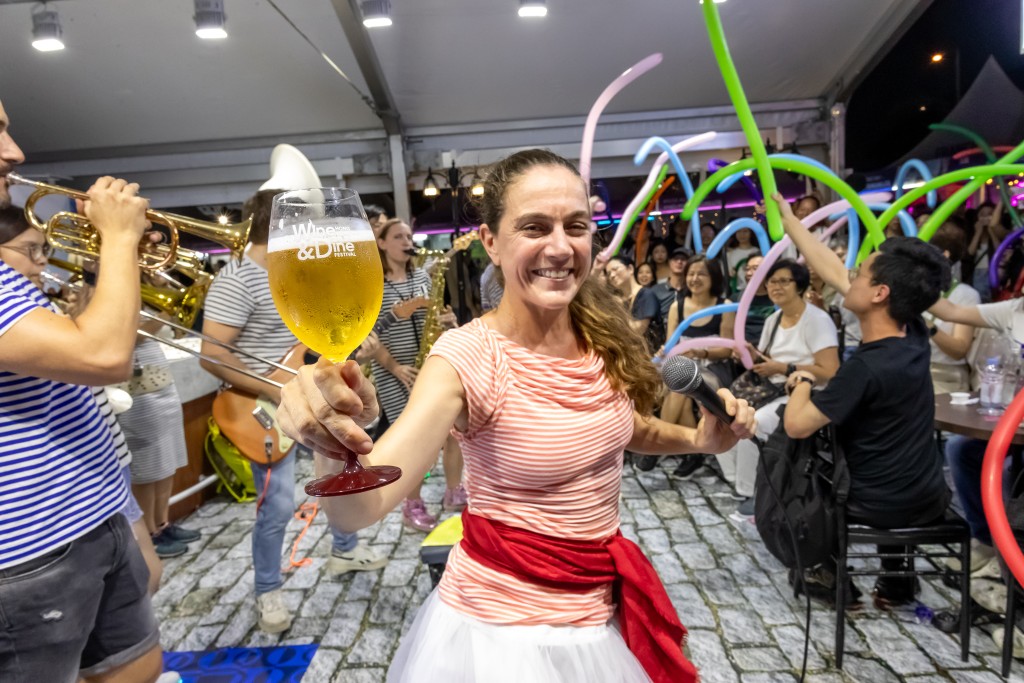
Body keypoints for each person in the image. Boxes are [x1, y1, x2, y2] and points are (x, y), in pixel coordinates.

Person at [276, 149, 755, 682]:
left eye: (576, 226)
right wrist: (327, 436)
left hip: (598, 614)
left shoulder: (600, 332)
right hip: (502, 639)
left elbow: (624, 428)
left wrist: (699, 438)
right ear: (491, 244)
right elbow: (359, 511)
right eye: (534, 226)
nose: (559, 246)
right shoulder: (466, 359)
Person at [0, 100, 164, 683]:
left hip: (90, 514)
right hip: (27, 554)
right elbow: (103, 356)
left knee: (136, 667)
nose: (15, 153)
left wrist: (117, 258)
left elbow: (82, 341)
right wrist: (118, 239)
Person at [200, 188, 387, 634]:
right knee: (279, 505)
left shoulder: (306, 267)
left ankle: (345, 549)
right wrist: (283, 387)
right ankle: (268, 590)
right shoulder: (238, 278)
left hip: (306, 394)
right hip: (261, 408)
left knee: (340, 470)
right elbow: (212, 355)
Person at [775, 192, 952, 608]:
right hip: (927, 494)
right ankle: (896, 582)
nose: (849, 274)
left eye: (861, 274)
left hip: (875, 505)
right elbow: (833, 268)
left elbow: (797, 423)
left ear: (879, 294)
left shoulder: (865, 368)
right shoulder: (913, 332)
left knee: (796, 461)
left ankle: (825, 572)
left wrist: (800, 378)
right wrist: (790, 222)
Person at [722, 259, 839, 519]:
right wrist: (751, 354)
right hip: (771, 388)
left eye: (783, 280)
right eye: (772, 281)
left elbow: (830, 370)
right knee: (723, 412)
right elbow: (766, 360)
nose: (776, 286)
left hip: (806, 392)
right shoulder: (774, 319)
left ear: (799, 286)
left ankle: (755, 493)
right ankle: (739, 483)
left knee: (756, 422)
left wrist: (784, 368)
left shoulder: (816, 320)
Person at [924, 222, 979, 394]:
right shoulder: (915, 289)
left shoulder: (966, 295)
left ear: (944, 254)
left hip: (946, 380)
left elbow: (959, 350)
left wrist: (928, 327)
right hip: (911, 373)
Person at [606, 256, 663, 352]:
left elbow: (637, 330)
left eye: (615, 269)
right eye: (608, 273)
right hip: (629, 355)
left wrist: (619, 309)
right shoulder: (617, 299)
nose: (612, 275)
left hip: (650, 357)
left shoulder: (646, 295)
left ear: (630, 269)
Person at [650, 246, 688, 323]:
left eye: (683, 259)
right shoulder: (655, 290)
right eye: (675, 259)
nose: (679, 262)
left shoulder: (693, 291)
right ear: (669, 262)